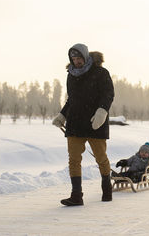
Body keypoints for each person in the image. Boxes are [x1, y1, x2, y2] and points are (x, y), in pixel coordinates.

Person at [52, 43, 114, 206]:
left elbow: (108, 94)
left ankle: (107, 190)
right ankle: (76, 195)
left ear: (85, 57)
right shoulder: (71, 75)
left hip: (95, 122)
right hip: (75, 123)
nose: (77, 61)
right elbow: (72, 100)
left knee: (101, 158)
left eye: (79, 58)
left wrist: (102, 111)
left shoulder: (101, 73)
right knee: (73, 160)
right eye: (74, 59)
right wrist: (62, 115)